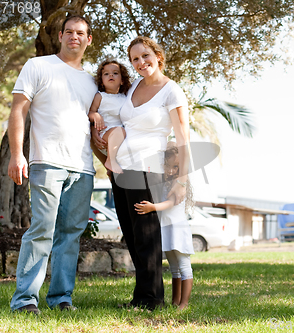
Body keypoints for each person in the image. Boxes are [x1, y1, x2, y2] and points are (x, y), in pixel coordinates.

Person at [93, 36, 191, 310]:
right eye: (135, 59)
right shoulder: (133, 85)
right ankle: (141, 295)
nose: (141, 62)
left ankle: (151, 299)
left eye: (145, 56)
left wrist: (182, 179)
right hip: (121, 169)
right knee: (133, 235)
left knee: (147, 236)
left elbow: (183, 137)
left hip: (146, 169)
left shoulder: (171, 91)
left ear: (158, 56)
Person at [7, 15, 96, 315]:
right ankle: (24, 300)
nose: (74, 37)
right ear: (59, 36)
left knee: (70, 234)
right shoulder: (39, 66)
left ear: (88, 40)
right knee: (42, 229)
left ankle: (61, 298)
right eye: (69, 32)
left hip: (83, 168)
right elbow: (19, 109)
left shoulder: (92, 81)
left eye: (80, 33)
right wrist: (17, 154)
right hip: (47, 161)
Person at [134, 144, 194, 310]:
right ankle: (175, 300)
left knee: (184, 266)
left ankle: (184, 303)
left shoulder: (179, 183)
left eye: (175, 166)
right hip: (166, 229)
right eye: (167, 165)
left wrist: (153, 207)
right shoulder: (163, 181)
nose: (171, 170)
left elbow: (171, 203)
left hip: (178, 229)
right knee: (174, 268)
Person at [88, 58, 131, 173]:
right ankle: (110, 161)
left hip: (121, 138)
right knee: (119, 131)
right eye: (106, 74)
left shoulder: (125, 98)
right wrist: (96, 116)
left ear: (122, 80)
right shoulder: (100, 96)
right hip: (105, 135)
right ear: (102, 81)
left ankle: (112, 165)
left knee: (120, 131)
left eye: (115, 73)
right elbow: (91, 112)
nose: (110, 75)